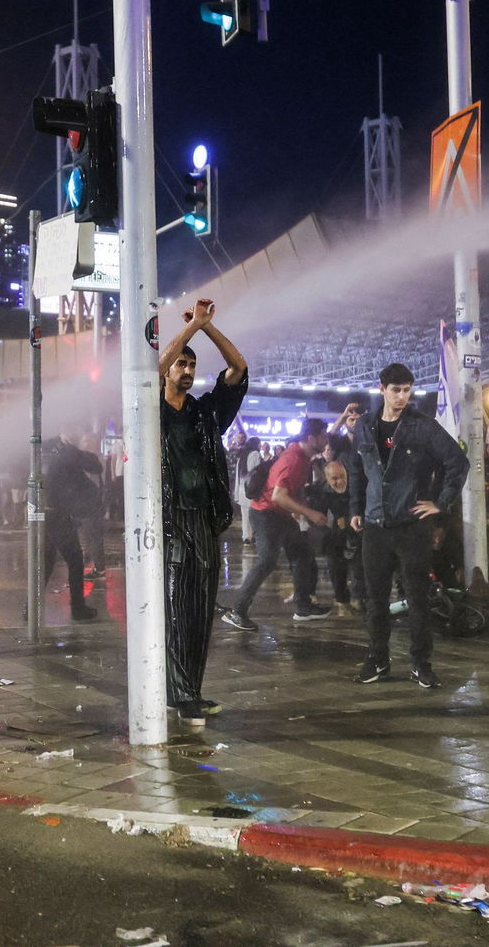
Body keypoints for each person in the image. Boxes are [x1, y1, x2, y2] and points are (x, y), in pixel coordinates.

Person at [348, 362, 468, 690]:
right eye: (396, 390)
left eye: (407, 390)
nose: (402, 396)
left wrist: (440, 504)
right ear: (382, 388)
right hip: (374, 525)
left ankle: (420, 663)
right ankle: (378, 660)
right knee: (375, 599)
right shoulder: (365, 426)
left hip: (411, 526)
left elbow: (457, 461)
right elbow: (357, 470)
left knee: (417, 598)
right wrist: (356, 508)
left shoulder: (422, 427)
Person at [158, 298, 247, 728]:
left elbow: (238, 369)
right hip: (167, 520)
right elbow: (151, 372)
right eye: (181, 364)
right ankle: (179, 693)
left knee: (198, 611)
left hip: (203, 521)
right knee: (174, 608)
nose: (187, 371)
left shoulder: (205, 414)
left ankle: (188, 691)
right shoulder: (152, 411)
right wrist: (189, 328)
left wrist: (207, 327)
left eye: (192, 366)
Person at [222, 421, 331, 630]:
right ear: (311, 438)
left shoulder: (302, 455)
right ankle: (237, 611)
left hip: (276, 513)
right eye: (323, 435)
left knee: (302, 553)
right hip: (265, 514)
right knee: (267, 561)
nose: (327, 440)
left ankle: (303, 606)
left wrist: (299, 509)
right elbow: (278, 496)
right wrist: (309, 513)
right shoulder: (293, 459)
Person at [41, 434, 101, 622]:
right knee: (75, 560)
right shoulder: (67, 451)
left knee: (46, 561)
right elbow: (95, 466)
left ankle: (31, 606)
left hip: (44, 511)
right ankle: (78, 608)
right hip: (59, 513)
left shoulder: (44, 449)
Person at [309, 459, 362, 617]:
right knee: (336, 567)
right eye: (334, 478)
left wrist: (349, 518)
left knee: (361, 566)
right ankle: (341, 599)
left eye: (342, 476)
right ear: (327, 478)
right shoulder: (323, 491)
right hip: (336, 534)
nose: (339, 481)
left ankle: (359, 597)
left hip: (358, 531)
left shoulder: (357, 487)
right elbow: (318, 512)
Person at [232, 436, 264, 545]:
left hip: (242, 490)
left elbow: (238, 476)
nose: (261, 446)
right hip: (252, 489)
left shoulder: (242, 457)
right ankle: (254, 536)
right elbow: (256, 472)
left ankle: (246, 536)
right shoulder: (255, 454)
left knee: (245, 515)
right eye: (259, 443)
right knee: (254, 515)